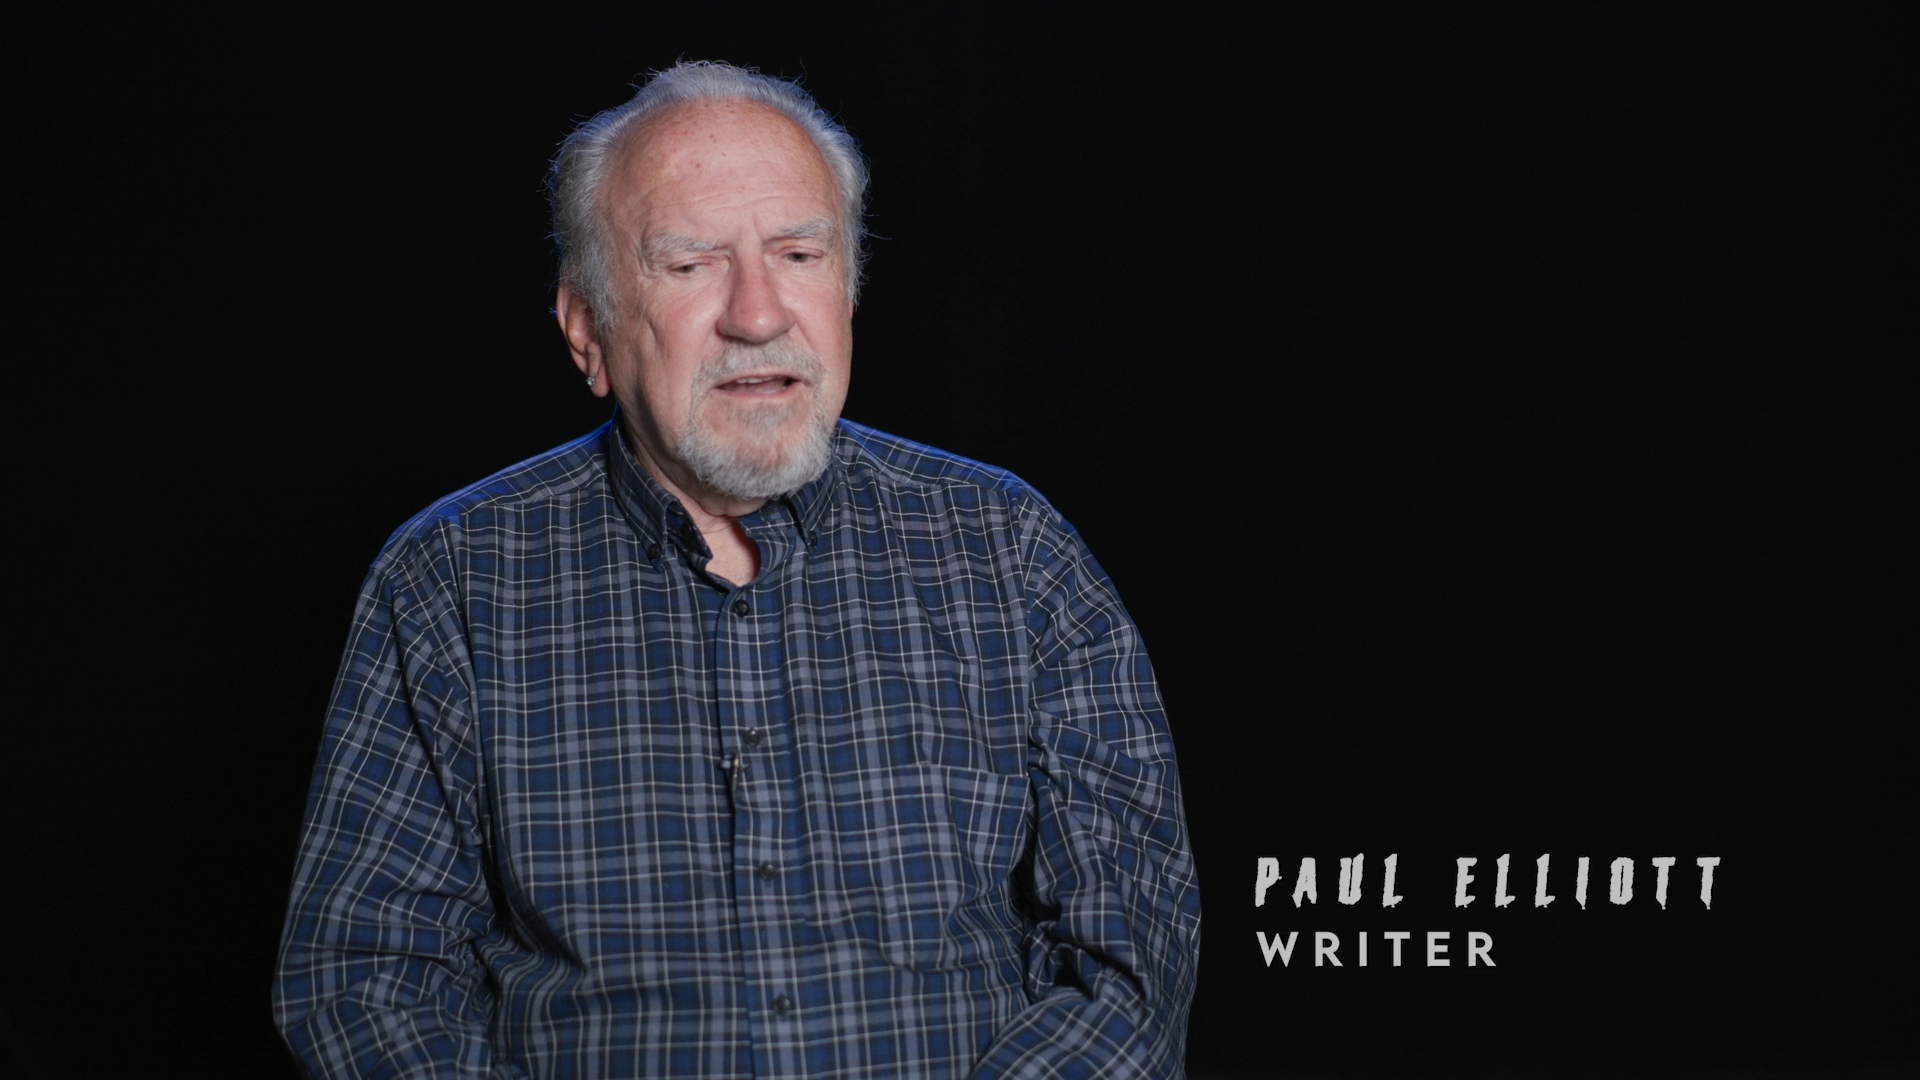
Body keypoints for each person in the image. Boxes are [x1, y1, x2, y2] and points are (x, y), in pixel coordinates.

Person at [274, 61, 1200, 1078]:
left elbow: (1133, 954)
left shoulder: (1013, 552)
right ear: (587, 329)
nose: (758, 315)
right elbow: (366, 982)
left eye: (800, 254)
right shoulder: (449, 579)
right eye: (690, 264)